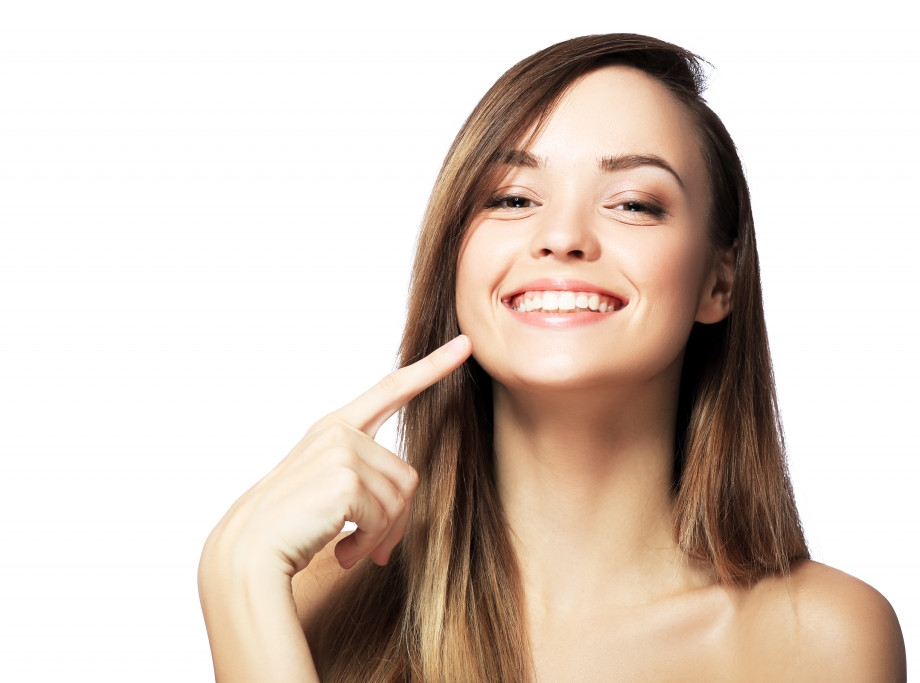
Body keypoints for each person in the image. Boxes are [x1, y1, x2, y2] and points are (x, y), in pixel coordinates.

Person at [197, 34, 906, 681]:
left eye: (633, 203)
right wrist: (238, 575)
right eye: (511, 197)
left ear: (718, 281)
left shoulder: (818, 638)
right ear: (455, 258)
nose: (562, 236)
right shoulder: (308, 592)